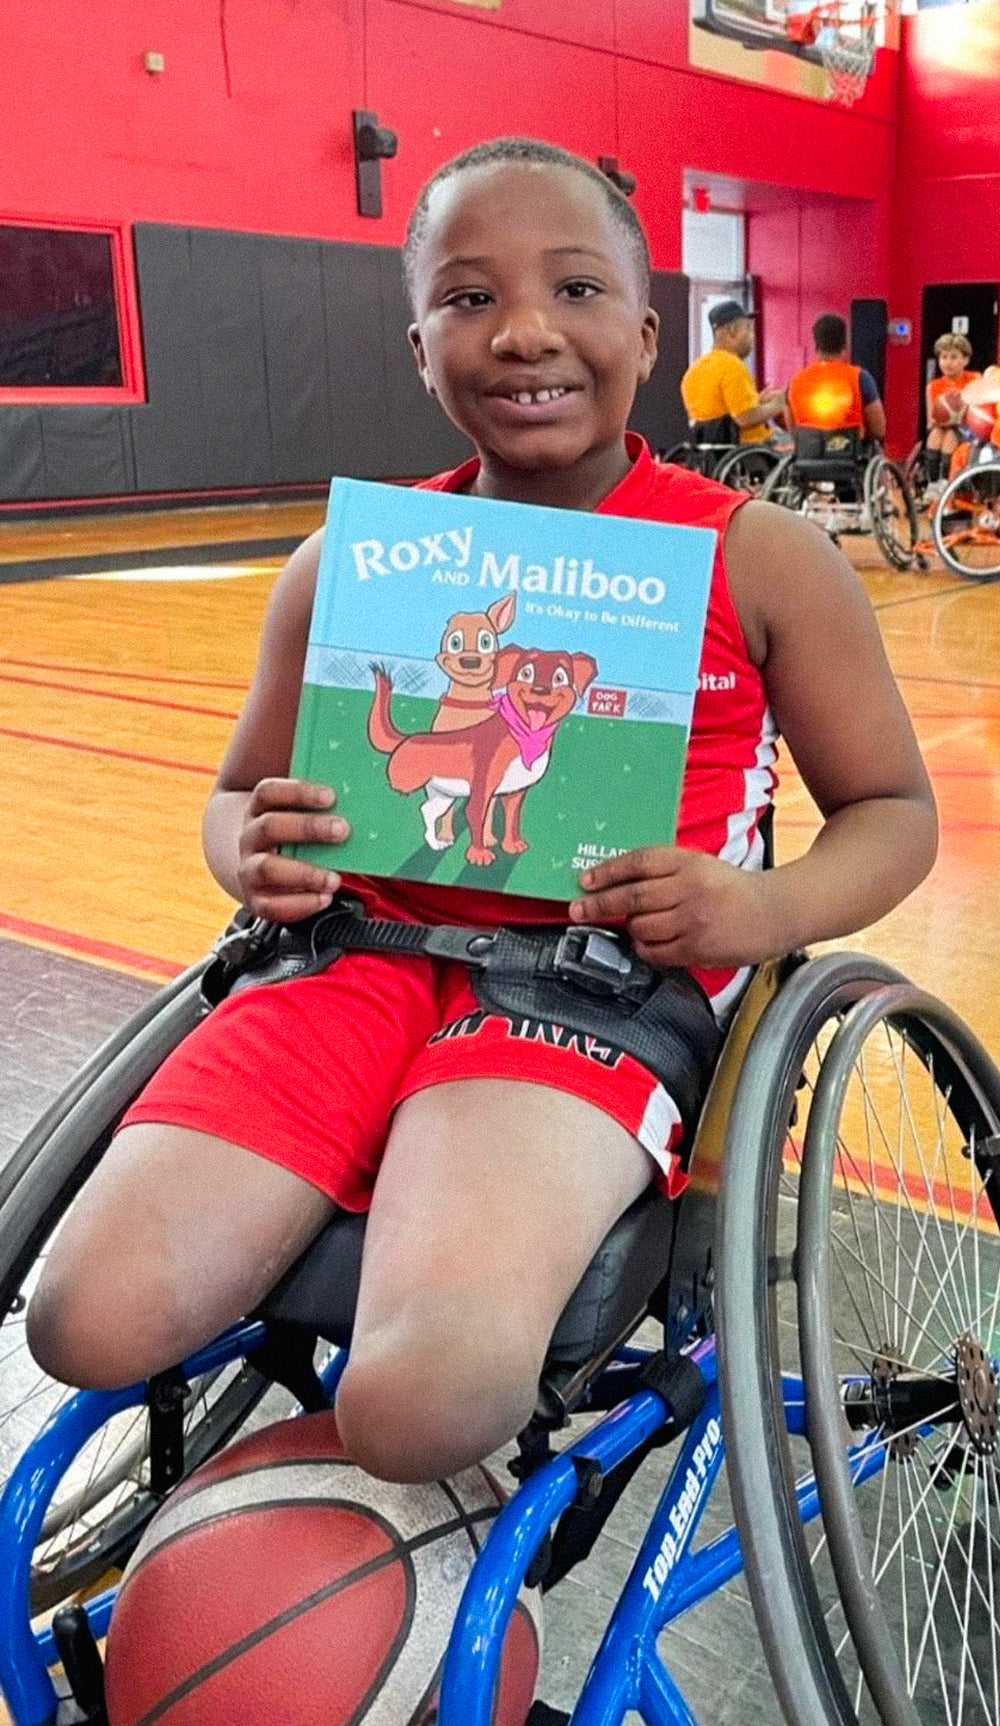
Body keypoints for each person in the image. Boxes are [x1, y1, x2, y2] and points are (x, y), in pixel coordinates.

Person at [26, 138, 937, 1486]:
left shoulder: (759, 557)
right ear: (415, 344)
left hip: (592, 987)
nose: (522, 332)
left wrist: (762, 904)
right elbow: (235, 802)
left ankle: (348, 1590)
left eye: (573, 290)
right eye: (467, 299)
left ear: (644, 329)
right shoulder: (352, 565)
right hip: (353, 961)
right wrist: (252, 849)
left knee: (422, 1398)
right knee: (80, 1317)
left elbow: (894, 810)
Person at [680, 300, 786, 445]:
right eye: (748, 329)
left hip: (713, 453)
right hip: (750, 450)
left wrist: (759, 400)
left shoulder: (694, 371)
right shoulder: (732, 365)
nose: (752, 337)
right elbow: (745, 418)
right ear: (732, 331)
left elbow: (721, 414)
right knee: (797, 446)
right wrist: (779, 403)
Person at [786, 313, 885, 442]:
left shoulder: (796, 380)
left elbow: (793, 431)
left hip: (808, 457)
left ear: (816, 345)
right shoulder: (860, 378)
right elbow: (879, 430)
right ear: (845, 345)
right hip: (852, 456)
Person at [924, 333, 979, 485]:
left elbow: (978, 415)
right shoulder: (933, 386)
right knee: (936, 434)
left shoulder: (975, 380)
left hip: (969, 430)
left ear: (965, 360)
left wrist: (959, 410)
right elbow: (931, 421)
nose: (947, 362)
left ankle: (947, 482)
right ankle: (933, 483)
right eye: (944, 357)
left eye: (954, 357)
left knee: (950, 436)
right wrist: (944, 418)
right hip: (942, 429)